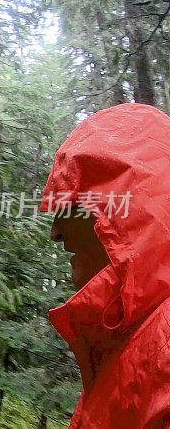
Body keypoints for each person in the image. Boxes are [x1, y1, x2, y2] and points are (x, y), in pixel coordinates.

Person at [42, 103, 170, 428]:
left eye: (69, 203)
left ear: (127, 212)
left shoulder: (163, 352)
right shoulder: (128, 340)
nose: (55, 232)